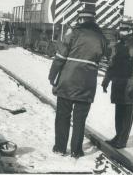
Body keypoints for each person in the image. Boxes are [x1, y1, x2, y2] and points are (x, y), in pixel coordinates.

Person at [48, 10, 107, 158]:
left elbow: (60, 57)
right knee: (80, 119)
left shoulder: (73, 34)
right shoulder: (101, 38)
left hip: (67, 81)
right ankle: (76, 150)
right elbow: (105, 56)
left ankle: (60, 148)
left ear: (80, 20)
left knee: (62, 116)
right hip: (87, 83)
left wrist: (52, 75)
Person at [102, 21, 133, 149]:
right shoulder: (117, 46)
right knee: (118, 113)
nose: (121, 32)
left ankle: (122, 140)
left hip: (129, 87)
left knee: (127, 115)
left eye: (125, 30)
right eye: (121, 30)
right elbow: (112, 65)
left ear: (131, 31)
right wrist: (106, 80)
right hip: (118, 84)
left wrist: (132, 86)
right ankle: (118, 136)